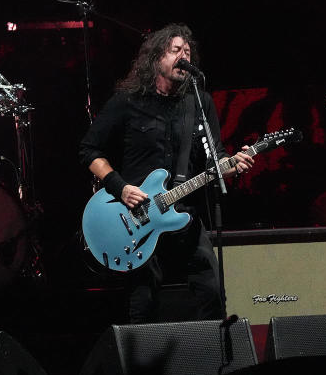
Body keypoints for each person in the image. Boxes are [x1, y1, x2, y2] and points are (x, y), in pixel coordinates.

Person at [79, 23, 254, 323]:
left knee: (212, 294)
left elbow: (216, 157)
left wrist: (233, 165)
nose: (183, 57)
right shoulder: (129, 101)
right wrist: (120, 187)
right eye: (175, 51)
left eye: (187, 52)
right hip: (137, 218)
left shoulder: (198, 103)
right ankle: (141, 368)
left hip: (185, 214)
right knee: (143, 303)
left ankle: (217, 361)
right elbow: (89, 151)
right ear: (156, 57)